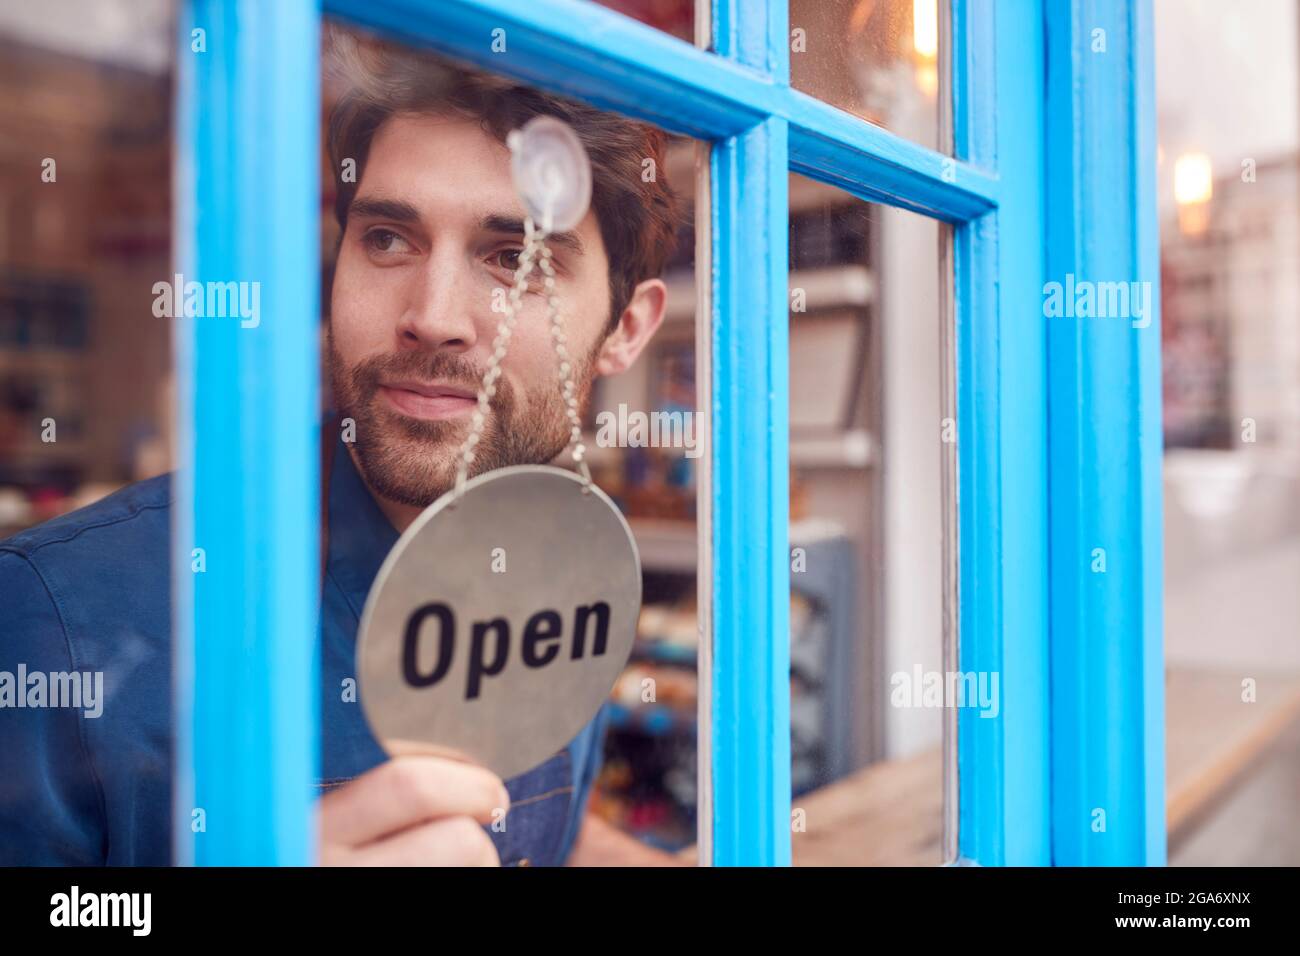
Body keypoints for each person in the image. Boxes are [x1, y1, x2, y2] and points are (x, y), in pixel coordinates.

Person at [0, 41, 682, 866]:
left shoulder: (565, 570)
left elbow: (556, 832)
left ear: (629, 328)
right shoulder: (60, 616)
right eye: (389, 239)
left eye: (515, 258)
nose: (432, 316)